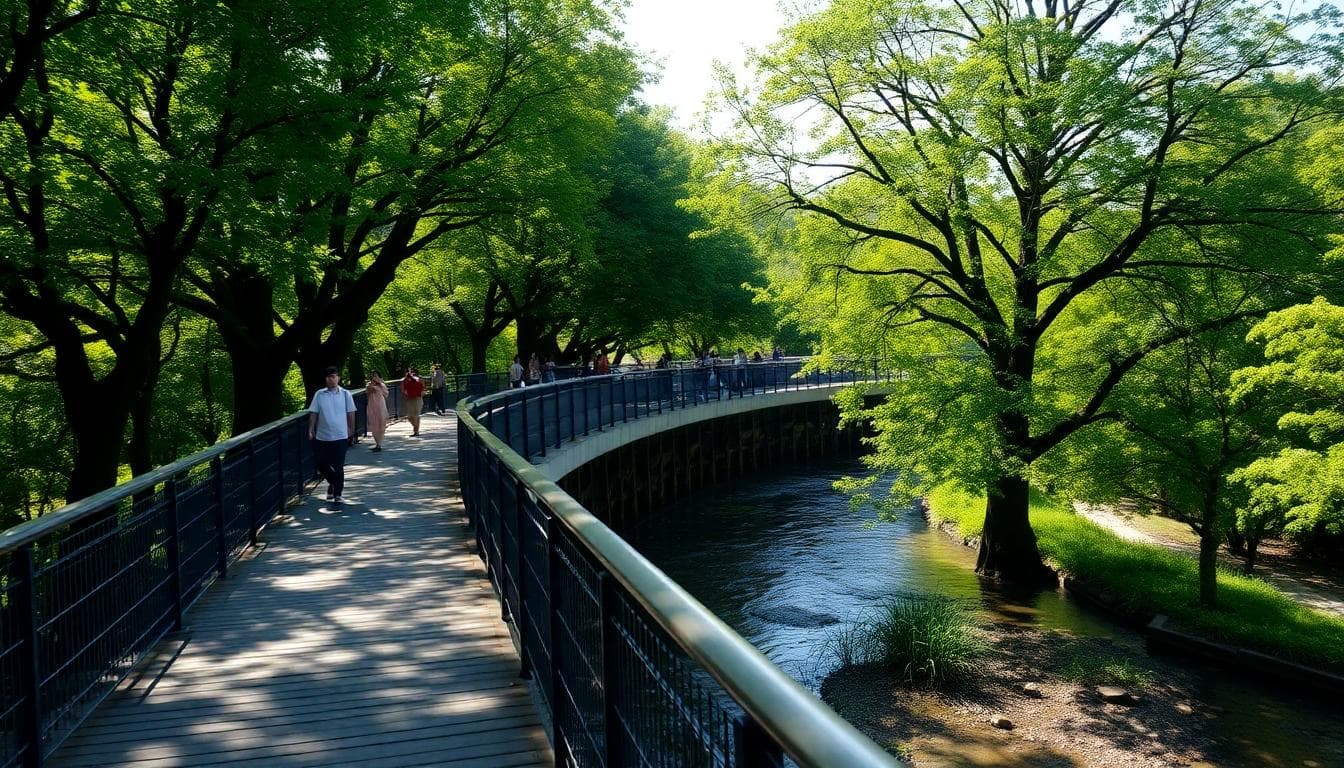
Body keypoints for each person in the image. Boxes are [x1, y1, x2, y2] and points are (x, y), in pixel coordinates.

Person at [308, 366, 356, 503]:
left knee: (338, 465)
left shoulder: (346, 394)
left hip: (340, 435)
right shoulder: (319, 394)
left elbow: (351, 413)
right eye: (329, 377)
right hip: (323, 436)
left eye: (334, 376)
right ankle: (333, 482)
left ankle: (338, 493)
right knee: (321, 463)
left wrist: (351, 430)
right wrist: (311, 429)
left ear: (338, 378)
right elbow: (314, 413)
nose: (331, 379)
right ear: (325, 379)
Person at [365, 371, 389, 452]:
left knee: (381, 424)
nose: (374, 377)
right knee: (374, 424)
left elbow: (386, 394)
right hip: (372, 406)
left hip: (381, 406)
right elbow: (368, 393)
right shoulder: (369, 385)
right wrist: (371, 387)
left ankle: (379, 443)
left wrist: (380, 385)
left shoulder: (382, 385)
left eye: (375, 376)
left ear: (379, 376)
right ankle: (377, 444)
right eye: (373, 376)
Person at [401, 366, 425, 436]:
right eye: (408, 372)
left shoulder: (419, 379)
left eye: (411, 371)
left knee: (416, 415)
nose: (410, 373)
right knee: (409, 416)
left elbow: (423, 389)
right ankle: (416, 428)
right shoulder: (404, 380)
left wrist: (420, 393)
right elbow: (403, 390)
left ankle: (416, 431)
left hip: (418, 399)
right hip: (409, 399)